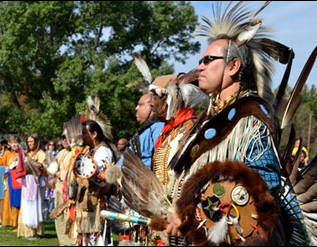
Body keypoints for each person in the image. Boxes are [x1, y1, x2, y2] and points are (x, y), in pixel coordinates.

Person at [162, 2, 301, 245]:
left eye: (208, 60)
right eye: (200, 60)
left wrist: (193, 213)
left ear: (233, 66)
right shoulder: (205, 120)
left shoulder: (251, 120)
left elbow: (261, 192)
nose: (200, 66)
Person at [118, 93, 165, 170]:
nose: (136, 108)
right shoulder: (144, 130)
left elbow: (160, 161)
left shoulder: (158, 127)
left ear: (151, 106)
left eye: (140, 104)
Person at [17, 133, 46, 240]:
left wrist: (30, 163)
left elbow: (42, 165)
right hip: (26, 183)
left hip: (35, 183)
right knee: (25, 206)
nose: (29, 144)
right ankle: (25, 231)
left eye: (31, 142)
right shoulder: (26, 153)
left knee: (34, 206)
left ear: (37, 142)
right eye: (28, 142)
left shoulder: (41, 153)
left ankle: (35, 231)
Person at [53, 133, 74, 246]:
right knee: (59, 217)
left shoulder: (76, 152)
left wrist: (63, 174)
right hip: (59, 189)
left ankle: (70, 242)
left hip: (71, 191)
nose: (65, 140)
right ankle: (62, 242)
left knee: (69, 218)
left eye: (67, 137)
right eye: (63, 138)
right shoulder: (61, 153)